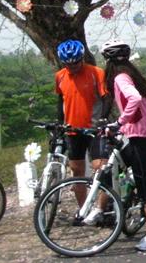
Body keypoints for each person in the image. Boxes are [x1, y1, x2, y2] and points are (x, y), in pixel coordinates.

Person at [101, 40, 146, 251]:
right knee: (115, 169)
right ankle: (124, 199)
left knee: (145, 187)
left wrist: (120, 122)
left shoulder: (120, 78)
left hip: (142, 139)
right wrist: (118, 125)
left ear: (108, 62)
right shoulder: (131, 76)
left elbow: (134, 99)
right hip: (144, 135)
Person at [54, 39, 110, 207]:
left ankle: (101, 209)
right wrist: (58, 123)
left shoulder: (96, 72)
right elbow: (60, 100)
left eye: (76, 63)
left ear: (82, 58)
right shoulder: (60, 76)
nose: (73, 67)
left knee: (100, 168)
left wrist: (103, 119)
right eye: (68, 64)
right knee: (77, 171)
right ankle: (83, 210)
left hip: (94, 129)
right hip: (72, 131)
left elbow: (107, 98)